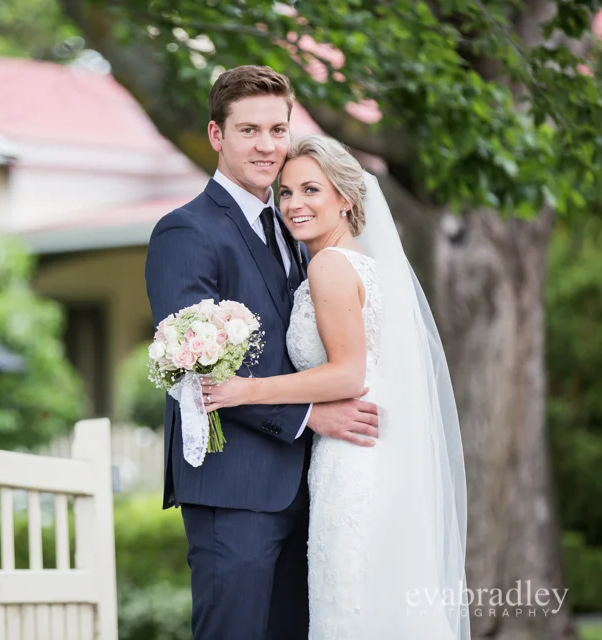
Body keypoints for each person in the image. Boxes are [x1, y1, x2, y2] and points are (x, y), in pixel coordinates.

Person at [144, 66, 381, 640]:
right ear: (216, 135)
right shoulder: (186, 232)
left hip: (312, 486)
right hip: (235, 491)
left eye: (278, 129)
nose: (267, 145)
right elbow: (194, 368)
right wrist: (308, 415)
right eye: (249, 130)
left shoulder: (298, 228)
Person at [200, 134, 469, 639]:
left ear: (345, 198)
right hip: (376, 452)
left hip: (353, 459)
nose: (294, 205)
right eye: (285, 193)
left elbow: (349, 374)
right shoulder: (371, 267)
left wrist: (245, 389)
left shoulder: (328, 265)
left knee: (349, 603)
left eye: (310, 190)